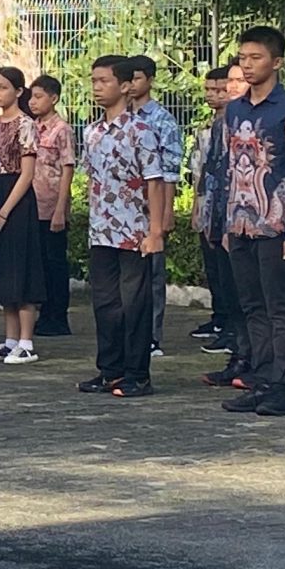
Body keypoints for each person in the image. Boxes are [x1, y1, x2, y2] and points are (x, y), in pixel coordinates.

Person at [216, 25, 285, 419]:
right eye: (243, 57)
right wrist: (225, 221)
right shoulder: (235, 109)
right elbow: (226, 168)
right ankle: (260, 380)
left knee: (279, 307)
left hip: (275, 223)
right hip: (239, 221)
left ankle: (284, 386)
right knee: (250, 306)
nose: (248, 64)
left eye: (256, 57)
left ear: (277, 62)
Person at [78, 57, 170, 397]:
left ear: (124, 85)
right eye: (94, 81)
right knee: (105, 303)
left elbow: (155, 182)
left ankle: (137, 373)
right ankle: (110, 369)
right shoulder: (92, 132)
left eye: (104, 81)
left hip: (135, 231)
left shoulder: (141, 131)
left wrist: (155, 231)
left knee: (135, 303)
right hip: (102, 230)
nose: (97, 87)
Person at [0, 67, 44, 365]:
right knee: (4, 268)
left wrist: (4, 211)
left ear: (19, 91)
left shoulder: (26, 125)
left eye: (3, 87)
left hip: (17, 199)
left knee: (24, 267)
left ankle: (26, 340)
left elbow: (27, 173)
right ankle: (9, 340)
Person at [125, 58, 183, 355]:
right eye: (128, 79)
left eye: (136, 78)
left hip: (152, 206)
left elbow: (170, 170)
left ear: (149, 80)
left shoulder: (161, 119)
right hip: (124, 209)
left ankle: (152, 335)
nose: (132, 85)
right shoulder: (120, 117)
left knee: (153, 274)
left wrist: (166, 213)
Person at [188, 65, 240, 366]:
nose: (218, 94)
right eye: (211, 89)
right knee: (216, 268)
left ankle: (233, 329)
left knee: (234, 275)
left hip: (239, 212)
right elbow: (203, 171)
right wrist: (198, 205)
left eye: (224, 87)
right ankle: (222, 320)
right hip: (212, 205)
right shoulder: (209, 127)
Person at [27, 76, 74, 338]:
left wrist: (60, 209)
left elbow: (68, 169)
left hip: (51, 204)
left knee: (55, 262)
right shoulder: (32, 128)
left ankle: (58, 316)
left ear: (53, 98)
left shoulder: (62, 129)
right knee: (40, 263)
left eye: (39, 96)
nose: (33, 102)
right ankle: (44, 314)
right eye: (32, 97)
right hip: (33, 204)